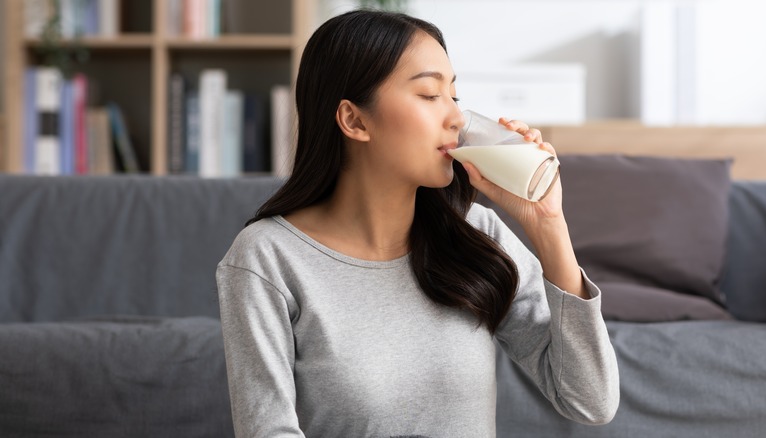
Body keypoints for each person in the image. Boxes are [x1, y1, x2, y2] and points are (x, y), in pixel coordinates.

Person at [216, 9, 619, 437]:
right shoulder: (268, 257)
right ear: (354, 120)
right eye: (430, 95)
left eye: (454, 97)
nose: (458, 118)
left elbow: (590, 401)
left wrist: (547, 223)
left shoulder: (475, 234)